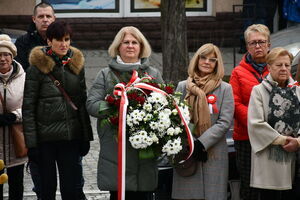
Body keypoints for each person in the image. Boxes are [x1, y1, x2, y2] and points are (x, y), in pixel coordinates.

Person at [16, 3, 87, 199]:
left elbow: (81, 103)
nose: (63, 44)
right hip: (45, 141)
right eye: (58, 40)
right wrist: (32, 144)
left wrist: (85, 136)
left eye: (67, 39)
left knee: (71, 190)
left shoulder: (76, 66)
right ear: (49, 41)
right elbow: (28, 107)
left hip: (70, 139)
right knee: (46, 191)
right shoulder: (35, 68)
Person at [86, 26, 163, 200]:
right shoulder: (105, 75)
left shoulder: (153, 74)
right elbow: (92, 105)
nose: (130, 46)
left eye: (134, 42)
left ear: (141, 47)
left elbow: (165, 105)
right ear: (118, 47)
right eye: (126, 42)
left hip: (144, 149)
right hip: (115, 147)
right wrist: (116, 105)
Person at [172, 43, 234, 200]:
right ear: (196, 60)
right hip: (187, 151)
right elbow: (176, 118)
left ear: (217, 64)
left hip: (214, 153)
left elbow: (224, 122)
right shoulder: (183, 86)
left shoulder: (225, 89)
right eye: (203, 58)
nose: (207, 62)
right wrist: (192, 144)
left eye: (212, 60)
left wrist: (202, 143)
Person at [248, 47, 300, 199]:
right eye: (279, 65)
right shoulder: (258, 91)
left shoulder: (297, 91)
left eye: (287, 65)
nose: (284, 69)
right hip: (268, 161)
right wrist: (284, 140)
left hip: (294, 157)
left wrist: (297, 142)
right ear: (269, 67)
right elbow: (256, 123)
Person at [229, 24, 270, 200]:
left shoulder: (276, 68)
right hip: (246, 137)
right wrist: (257, 123)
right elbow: (235, 104)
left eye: (261, 42)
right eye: (253, 43)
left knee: (271, 183)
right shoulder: (238, 72)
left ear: (269, 44)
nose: (258, 46)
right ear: (247, 47)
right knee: (249, 184)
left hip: (273, 137)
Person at [0, 34, 27, 200]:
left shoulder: (23, 78)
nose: (2, 59)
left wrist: (13, 116)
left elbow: (31, 107)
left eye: (6, 55)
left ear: (12, 56)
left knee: (16, 186)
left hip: (16, 140)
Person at [15, 2, 55, 71]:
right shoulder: (22, 42)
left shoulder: (62, 40)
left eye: (48, 16)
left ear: (54, 18)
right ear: (34, 19)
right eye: (41, 16)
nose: (45, 20)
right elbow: (19, 70)